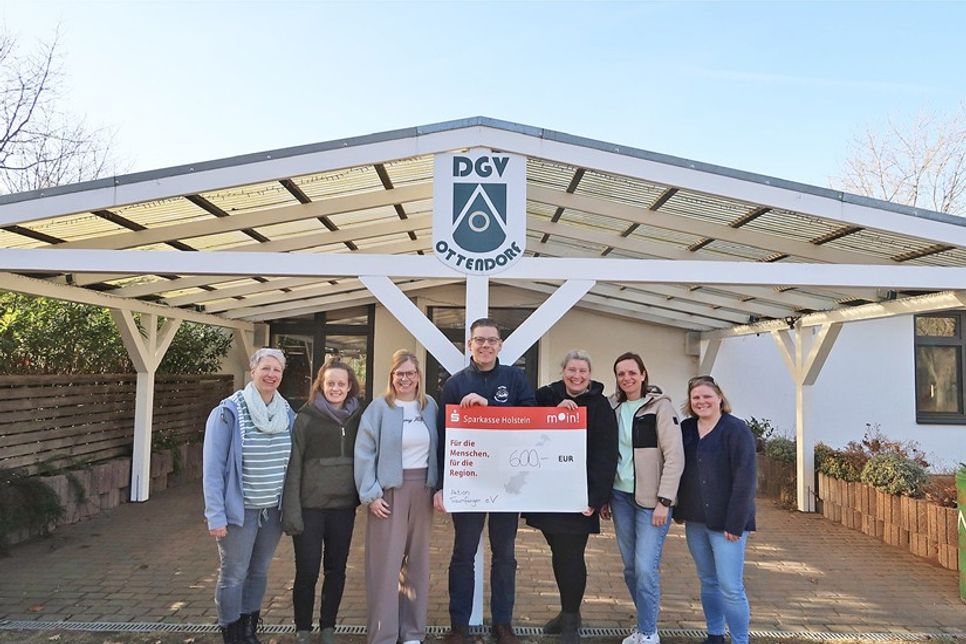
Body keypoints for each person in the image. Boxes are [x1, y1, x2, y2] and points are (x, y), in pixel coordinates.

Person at [434, 317, 536, 644]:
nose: (485, 345)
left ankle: (503, 624)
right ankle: (459, 626)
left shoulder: (516, 379)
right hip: (468, 484)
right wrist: (442, 485)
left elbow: (530, 423)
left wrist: (488, 409)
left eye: (492, 340)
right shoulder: (454, 384)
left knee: (505, 556)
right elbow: (443, 438)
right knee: (463, 554)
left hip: (506, 485)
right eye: (479, 340)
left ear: (500, 345)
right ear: (469, 344)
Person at [203, 347, 296, 644]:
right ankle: (231, 633)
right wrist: (215, 515)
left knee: (258, 572)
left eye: (277, 370)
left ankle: (248, 630)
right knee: (234, 574)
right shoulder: (228, 412)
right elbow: (213, 469)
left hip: (273, 511)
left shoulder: (287, 413)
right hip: (239, 512)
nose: (271, 375)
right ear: (253, 371)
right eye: (265, 368)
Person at [526, 350, 618, 644]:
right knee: (558, 552)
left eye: (583, 371)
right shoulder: (548, 395)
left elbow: (606, 453)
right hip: (549, 494)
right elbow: (528, 410)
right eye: (571, 370)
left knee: (572, 556)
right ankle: (570, 612)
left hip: (580, 496)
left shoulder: (600, 405)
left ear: (590, 375)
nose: (577, 376)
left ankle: (570, 621)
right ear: (562, 370)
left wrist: (596, 497)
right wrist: (555, 404)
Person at [354, 350, 439, 644]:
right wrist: (370, 494)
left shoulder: (430, 407)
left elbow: (440, 450)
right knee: (386, 565)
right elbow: (364, 453)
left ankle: (413, 633)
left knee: (417, 564)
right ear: (392, 377)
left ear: (419, 377)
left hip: (422, 492)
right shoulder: (379, 408)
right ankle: (384, 634)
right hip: (388, 493)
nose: (405, 379)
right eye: (399, 373)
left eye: (410, 373)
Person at [282, 360, 365, 644]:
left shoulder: (360, 417)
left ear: (350, 386)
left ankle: (328, 626)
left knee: (336, 570)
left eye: (341, 383)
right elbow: (293, 467)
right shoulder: (304, 418)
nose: (336, 388)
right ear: (321, 385)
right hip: (310, 508)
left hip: (343, 509)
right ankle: (303, 629)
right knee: (306, 571)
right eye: (330, 383)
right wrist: (291, 511)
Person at [605, 352, 684, 644]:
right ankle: (645, 622)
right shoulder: (613, 407)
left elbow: (674, 456)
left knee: (644, 568)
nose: (626, 378)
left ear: (643, 373)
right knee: (629, 568)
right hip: (620, 497)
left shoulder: (660, 408)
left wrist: (665, 500)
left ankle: (649, 633)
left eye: (631, 372)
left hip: (652, 502)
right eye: (621, 373)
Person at [676, 376, 756, 644]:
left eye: (707, 396)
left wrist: (736, 523)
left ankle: (740, 640)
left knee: (731, 587)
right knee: (708, 581)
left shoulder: (736, 430)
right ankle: (714, 634)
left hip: (728, 524)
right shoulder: (686, 429)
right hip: (695, 521)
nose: (701, 401)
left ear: (720, 397)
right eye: (696, 397)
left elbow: (746, 479)